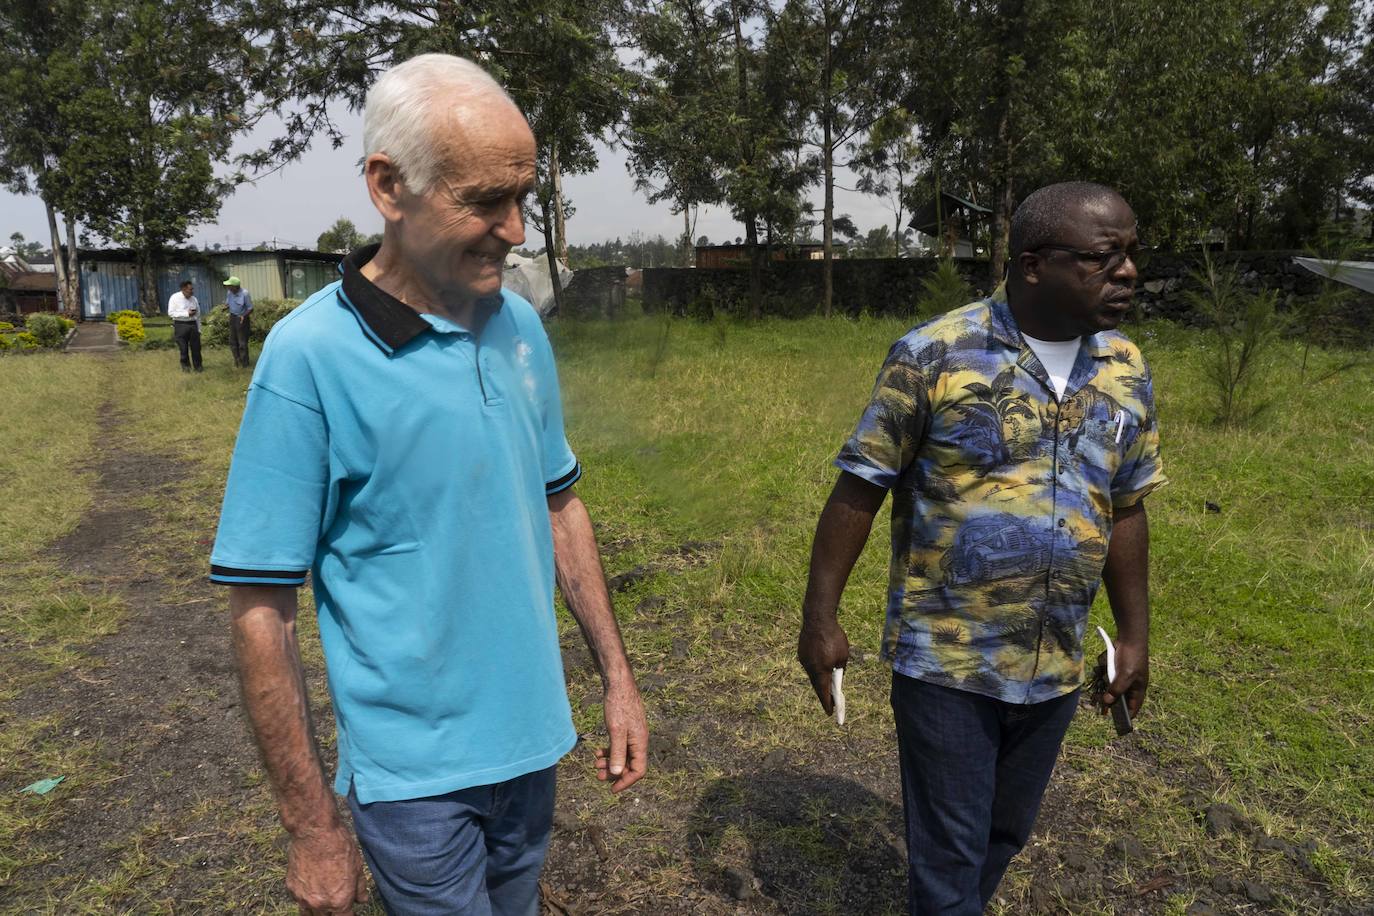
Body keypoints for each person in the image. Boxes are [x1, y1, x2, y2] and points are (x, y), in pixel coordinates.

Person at [209, 54, 648, 916]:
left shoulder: (519, 326)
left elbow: (560, 505)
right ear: (387, 185)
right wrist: (312, 830)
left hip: (533, 750)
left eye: (523, 197)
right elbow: (260, 605)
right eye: (485, 201)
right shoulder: (309, 359)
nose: (518, 230)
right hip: (414, 781)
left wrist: (617, 681)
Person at [797, 182, 1166, 914]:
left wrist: (1134, 635)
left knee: (1004, 834)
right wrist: (820, 616)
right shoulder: (936, 354)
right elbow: (859, 487)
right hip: (948, 661)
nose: (1127, 272)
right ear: (1033, 264)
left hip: (1055, 661)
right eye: (1103, 257)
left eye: (1131, 254)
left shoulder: (1124, 367)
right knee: (949, 856)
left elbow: (1126, 506)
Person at [166, 279, 202, 371]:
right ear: (183, 289)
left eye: (192, 289)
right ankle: (186, 367)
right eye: (190, 289)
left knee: (196, 348)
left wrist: (199, 329)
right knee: (183, 348)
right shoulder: (174, 298)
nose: (192, 291)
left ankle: (198, 367)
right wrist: (186, 313)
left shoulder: (194, 299)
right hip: (180, 325)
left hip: (193, 325)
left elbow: (198, 315)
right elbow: (171, 313)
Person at [224, 276, 253, 368]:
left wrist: (244, 316)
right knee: (232, 341)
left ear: (235, 286)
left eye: (229, 285)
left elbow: (250, 308)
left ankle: (245, 363)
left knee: (242, 342)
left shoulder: (245, 294)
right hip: (232, 317)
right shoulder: (229, 293)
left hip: (242, 318)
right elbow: (228, 303)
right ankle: (237, 360)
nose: (227, 287)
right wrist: (225, 307)